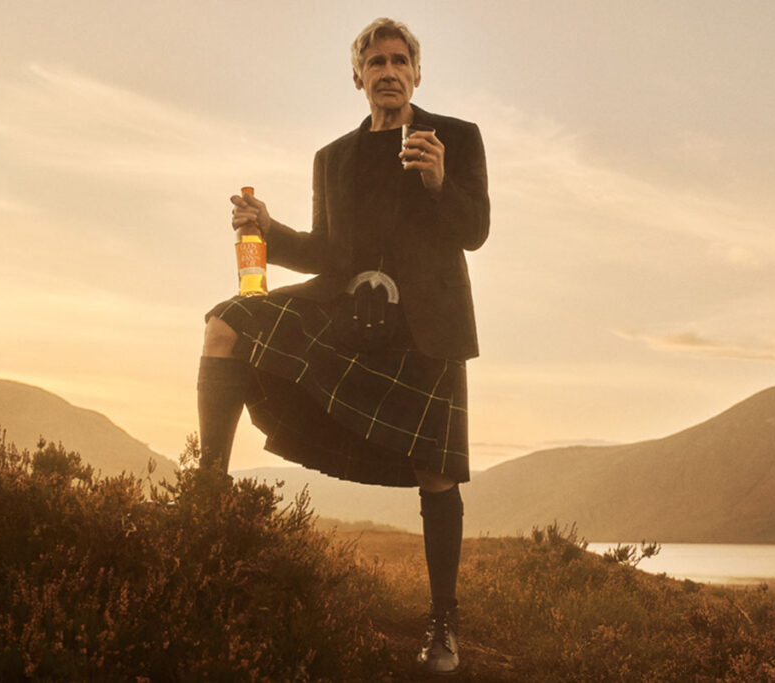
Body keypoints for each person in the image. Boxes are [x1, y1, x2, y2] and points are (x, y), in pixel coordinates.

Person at [197, 17, 488, 676]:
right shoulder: (333, 158)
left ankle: (443, 623)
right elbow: (327, 252)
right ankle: (207, 492)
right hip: (346, 310)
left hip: (427, 323)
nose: (388, 71)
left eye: (399, 60)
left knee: (436, 471)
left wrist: (441, 182)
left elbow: (476, 232)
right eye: (375, 62)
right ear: (357, 77)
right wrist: (268, 230)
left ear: (417, 72)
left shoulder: (456, 139)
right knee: (227, 323)